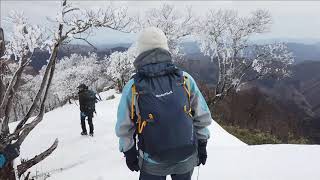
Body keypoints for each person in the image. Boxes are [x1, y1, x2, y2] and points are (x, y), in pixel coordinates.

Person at [115, 27, 213, 180]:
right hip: (186, 158)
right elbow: (202, 116)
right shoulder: (185, 79)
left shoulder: (133, 86)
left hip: (152, 161)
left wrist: (128, 152)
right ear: (165, 49)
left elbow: (124, 125)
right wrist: (202, 144)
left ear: (141, 51)